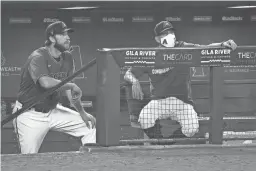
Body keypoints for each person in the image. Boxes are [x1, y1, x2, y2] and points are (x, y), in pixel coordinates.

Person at [124, 20, 237, 139]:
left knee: (192, 128)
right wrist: (134, 81)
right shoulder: (153, 55)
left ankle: (170, 141)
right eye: (164, 33)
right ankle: (159, 140)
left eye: (171, 32)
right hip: (159, 101)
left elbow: (204, 48)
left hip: (182, 101)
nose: (170, 35)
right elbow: (128, 73)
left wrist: (223, 44)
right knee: (144, 119)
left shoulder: (183, 47)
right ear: (157, 39)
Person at [12, 21, 96, 154]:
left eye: (68, 34)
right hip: (29, 114)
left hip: (52, 110)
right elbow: (45, 83)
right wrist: (71, 85)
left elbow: (70, 93)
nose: (68, 37)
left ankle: (86, 163)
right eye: (63, 34)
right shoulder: (37, 57)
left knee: (89, 125)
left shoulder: (67, 57)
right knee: (28, 160)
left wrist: (82, 112)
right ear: (51, 38)